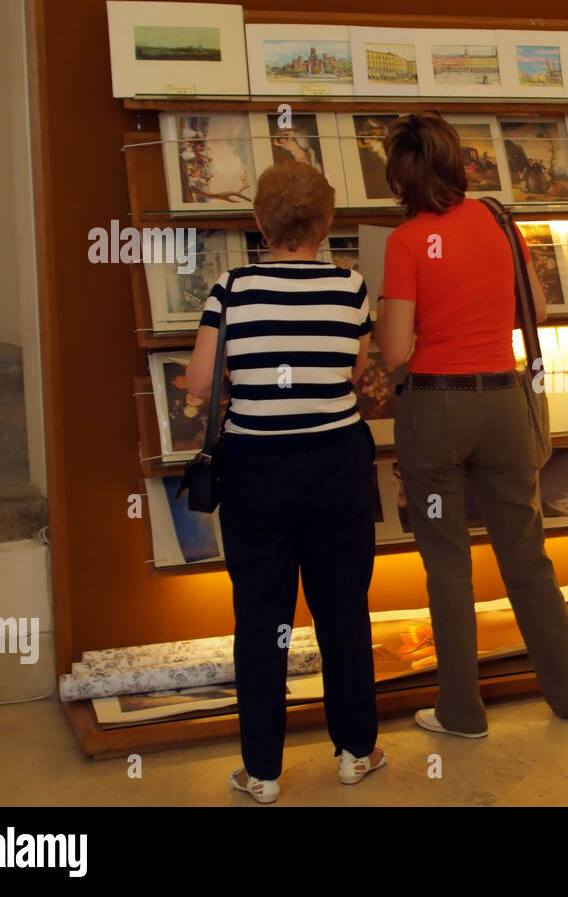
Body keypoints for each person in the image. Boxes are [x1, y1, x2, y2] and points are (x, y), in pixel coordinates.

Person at [375, 112, 568, 739]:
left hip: (435, 411)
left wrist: (389, 316)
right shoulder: (500, 222)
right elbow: (536, 308)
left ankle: (461, 712)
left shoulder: (405, 242)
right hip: (504, 401)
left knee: (447, 565)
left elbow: (395, 352)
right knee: (526, 554)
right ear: (457, 162)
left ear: (399, 176)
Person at [185, 161, 384, 804]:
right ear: (325, 225)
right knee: (342, 612)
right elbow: (358, 375)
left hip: (257, 469)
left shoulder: (231, 288)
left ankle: (263, 772)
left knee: (261, 617)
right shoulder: (351, 287)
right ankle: (356, 751)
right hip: (337, 464)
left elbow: (197, 384)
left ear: (258, 222)